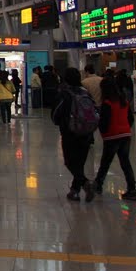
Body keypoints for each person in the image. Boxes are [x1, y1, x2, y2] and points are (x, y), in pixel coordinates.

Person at [52, 67, 96, 202]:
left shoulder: (64, 94)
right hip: (86, 132)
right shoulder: (85, 92)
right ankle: (74, 191)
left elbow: (55, 114)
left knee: (69, 162)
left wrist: (59, 122)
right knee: (80, 163)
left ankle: (84, 183)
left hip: (70, 133)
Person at [93, 78, 136, 200]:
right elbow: (131, 118)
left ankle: (98, 185)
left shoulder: (107, 103)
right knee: (125, 162)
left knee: (105, 162)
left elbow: (104, 122)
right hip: (125, 135)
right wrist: (125, 128)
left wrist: (103, 132)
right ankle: (132, 189)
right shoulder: (124, 101)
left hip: (112, 136)